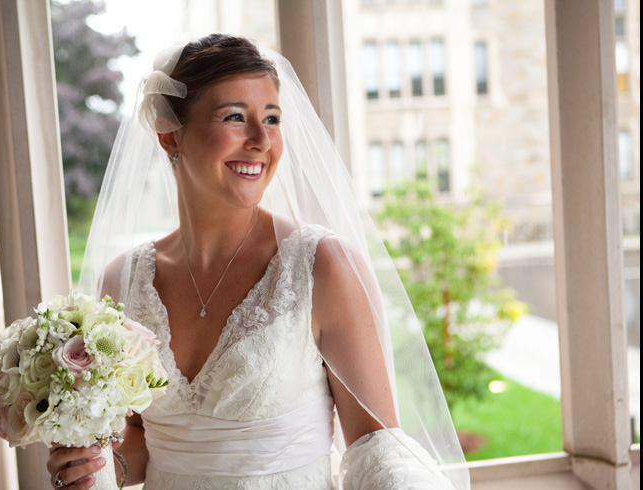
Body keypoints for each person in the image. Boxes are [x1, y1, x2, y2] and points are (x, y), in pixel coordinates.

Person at [47, 34, 469, 489]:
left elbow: (375, 445)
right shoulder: (125, 280)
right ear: (171, 137)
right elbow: (140, 435)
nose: (261, 140)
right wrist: (90, 466)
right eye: (235, 117)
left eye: (271, 118)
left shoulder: (320, 265)